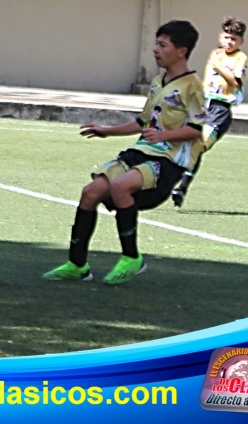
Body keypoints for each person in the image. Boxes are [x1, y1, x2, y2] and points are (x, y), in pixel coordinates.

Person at [43, 21, 206, 285]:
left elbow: (197, 130)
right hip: (141, 151)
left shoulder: (193, 86)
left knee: (120, 186)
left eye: (162, 45)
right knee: (90, 192)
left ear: (181, 51)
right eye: (156, 43)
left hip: (166, 160)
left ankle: (132, 258)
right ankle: (77, 264)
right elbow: (143, 123)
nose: (155, 50)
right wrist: (107, 131)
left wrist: (164, 135)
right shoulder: (158, 82)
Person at [171, 17, 248, 207]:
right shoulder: (215, 53)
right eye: (226, 37)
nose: (229, 42)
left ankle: (181, 186)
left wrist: (219, 66)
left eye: (234, 39)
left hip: (220, 109)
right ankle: (178, 187)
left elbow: (236, 81)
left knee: (199, 145)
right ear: (220, 36)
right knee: (187, 144)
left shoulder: (241, 58)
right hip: (203, 105)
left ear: (241, 42)